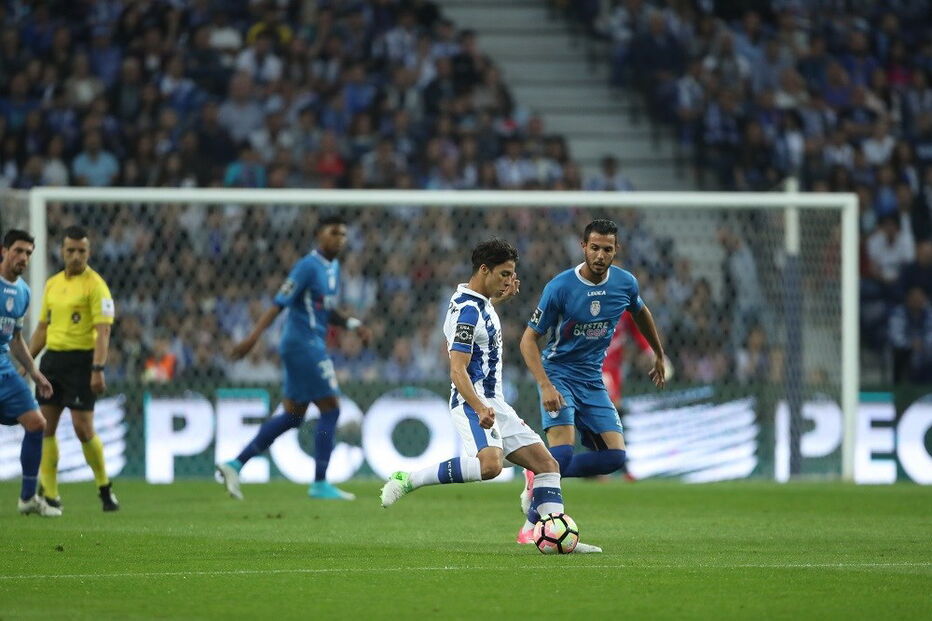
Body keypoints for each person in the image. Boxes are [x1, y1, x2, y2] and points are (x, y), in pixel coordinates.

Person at [379, 239, 602, 553]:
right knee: (490, 466)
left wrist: (498, 298)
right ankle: (409, 479)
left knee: (547, 465)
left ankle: (556, 536)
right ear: (484, 270)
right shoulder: (468, 312)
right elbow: (457, 370)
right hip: (472, 401)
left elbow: (480, 323)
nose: (509, 280)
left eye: (511, 274)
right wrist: (479, 407)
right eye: (504, 274)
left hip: (496, 403)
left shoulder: (478, 302)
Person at [519, 219, 667, 539]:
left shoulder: (625, 284)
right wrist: (545, 384)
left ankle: (539, 470)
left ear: (617, 250)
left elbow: (641, 312)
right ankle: (532, 525)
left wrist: (657, 353)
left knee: (614, 457)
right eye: (595, 248)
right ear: (583, 247)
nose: (600, 255)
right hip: (558, 374)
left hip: (592, 379)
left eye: (607, 249)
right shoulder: (560, 287)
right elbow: (528, 340)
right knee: (563, 452)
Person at [216, 215, 370, 501]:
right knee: (331, 409)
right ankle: (320, 483)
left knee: (293, 416)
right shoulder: (307, 266)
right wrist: (252, 338)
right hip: (304, 344)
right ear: (319, 235)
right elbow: (278, 304)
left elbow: (324, 309)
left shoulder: (333, 267)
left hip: (306, 344)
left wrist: (353, 324)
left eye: (343, 234)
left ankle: (234, 465)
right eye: (333, 232)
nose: (339, 239)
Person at [29, 225, 118, 512]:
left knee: (83, 428)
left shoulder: (96, 286)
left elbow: (103, 332)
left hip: (82, 362)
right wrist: (27, 363)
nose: (76, 256)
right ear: (62, 251)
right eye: (71, 250)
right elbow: (43, 328)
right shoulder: (52, 284)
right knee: (45, 426)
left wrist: (98, 368)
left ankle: (104, 486)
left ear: (89, 252)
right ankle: (51, 494)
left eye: (81, 251)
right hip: (53, 361)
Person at [0, 230, 59, 516]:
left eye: (28, 253)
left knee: (37, 423)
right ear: (4, 251)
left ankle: (27, 498)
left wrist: (34, 372)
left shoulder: (23, 292)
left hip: (3, 367)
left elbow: (15, 338)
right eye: (18, 251)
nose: (23, 257)